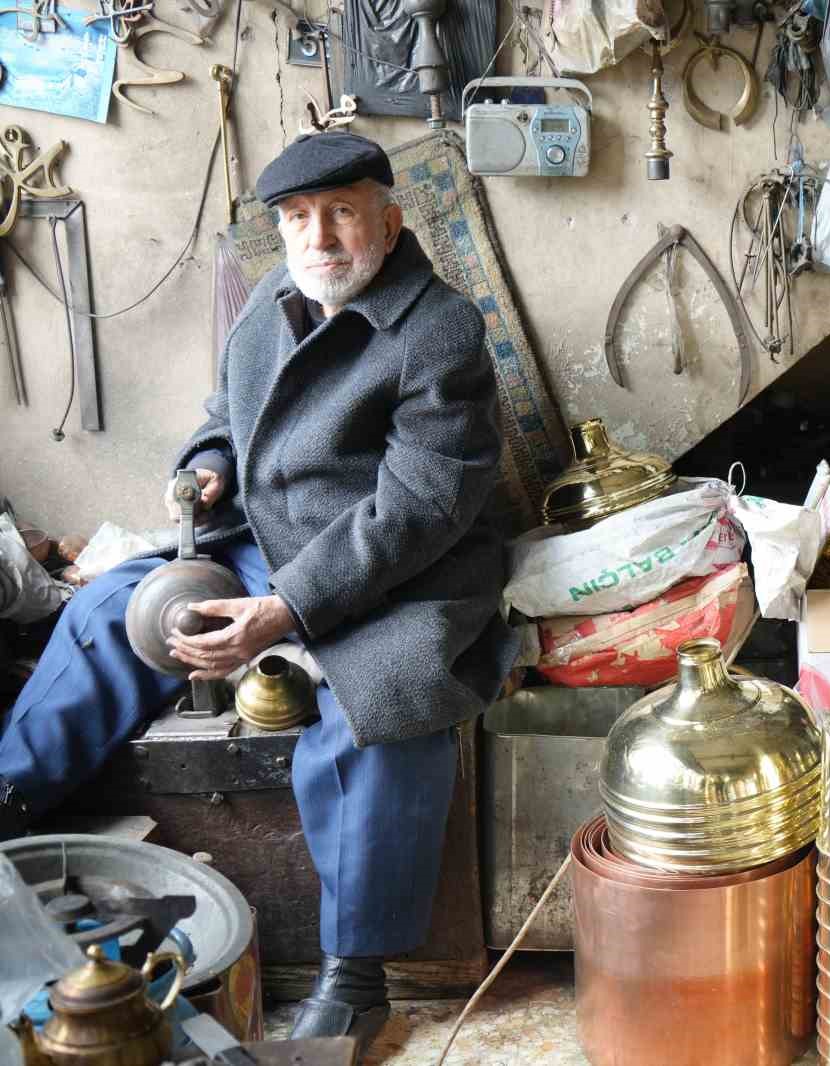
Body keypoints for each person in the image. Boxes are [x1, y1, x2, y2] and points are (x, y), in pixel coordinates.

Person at [0, 131, 519, 1056]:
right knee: (113, 609)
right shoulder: (271, 310)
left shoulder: (438, 330)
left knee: (383, 705)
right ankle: (10, 797)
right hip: (265, 546)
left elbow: (419, 510)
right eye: (297, 220)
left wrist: (286, 611)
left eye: (342, 214)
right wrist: (204, 469)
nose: (319, 238)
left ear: (388, 223)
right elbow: (222, 421)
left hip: (404, 574)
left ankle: (356, 978)